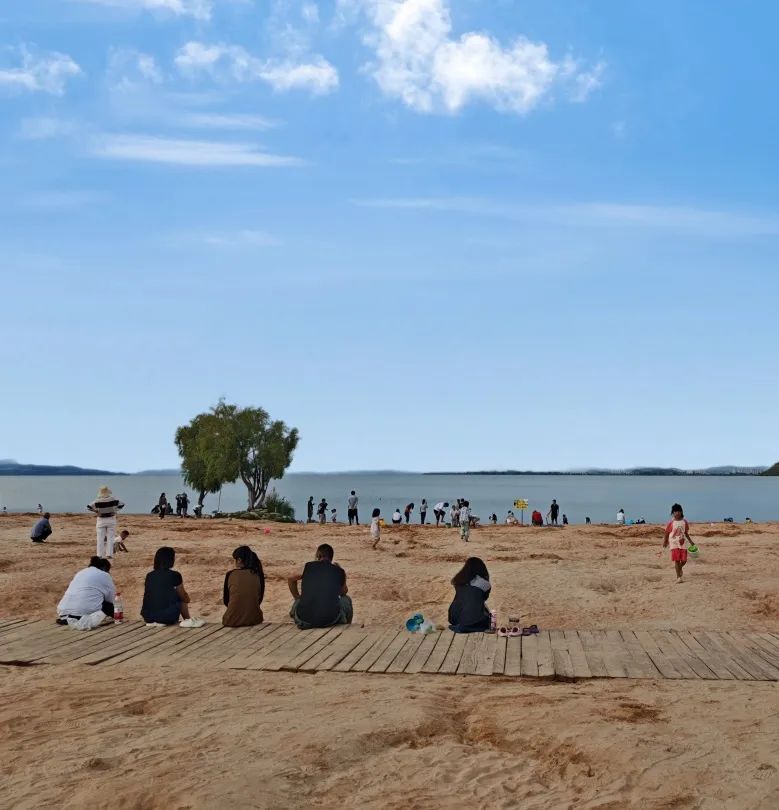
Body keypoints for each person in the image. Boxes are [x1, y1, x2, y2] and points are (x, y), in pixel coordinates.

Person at [287, 543, 353, 629]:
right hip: (330, 619)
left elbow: (290, 579)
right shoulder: (339, 570)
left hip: (303, 619)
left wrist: (297, 597)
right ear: (331, 557)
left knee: (300, 601)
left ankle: (296, 611)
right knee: (347, 599)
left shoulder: (308, 566)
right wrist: (341, 573)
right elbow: (343, 592)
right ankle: (347, 626)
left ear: (318, 555)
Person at [56, 556, 115, 624]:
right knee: (111, 607)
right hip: (83, 614)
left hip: (63, 612)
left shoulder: (80, 573)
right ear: (104, 568)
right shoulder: (104, 575)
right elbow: (110, 599)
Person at [141, 547, 191, 624]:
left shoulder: (149, 575)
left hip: (148, 617)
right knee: (181, 598)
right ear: (171, 560)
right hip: (167, 618)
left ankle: (187, 621)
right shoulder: (175, 575)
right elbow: (184, 597)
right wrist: (187, 599)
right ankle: (188, 621)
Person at [223, 545, 265, 627]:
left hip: (231, 620)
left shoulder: (231, 574)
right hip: (255, 619)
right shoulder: (258, 574)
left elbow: (226, 600)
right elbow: (259, 599)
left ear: (239, 560)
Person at [448, 557, 491, 633]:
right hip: (474, 620)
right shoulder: (485, 583)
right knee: (488, 617)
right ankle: (468, 625)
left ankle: (463, 625)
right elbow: (483, 599)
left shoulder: (458, 580)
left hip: (454, 617)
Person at [87, 485, 125, 559]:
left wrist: (97, 512)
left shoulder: (97, 501)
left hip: (101, 520)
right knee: (110, 537)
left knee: (100, 538)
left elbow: (88, 507)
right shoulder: (113, 499)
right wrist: (115, 510)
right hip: (111, 519)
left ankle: (99, 555)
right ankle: (109, 554)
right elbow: (122, 504)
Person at [663, 503, 692, 584]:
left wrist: (691, 541)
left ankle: (679, 568)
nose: (677, 513)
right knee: (677, 560)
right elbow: (667, 532)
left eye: (679, 511)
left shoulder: (684, 522)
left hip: (683, 543)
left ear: (681, 512)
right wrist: (665, 542)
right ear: (673, 513)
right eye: (675, 511)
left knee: (684, 560)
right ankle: (678, 577)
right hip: (673, 543)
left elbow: (686, 533)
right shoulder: (671, 523)